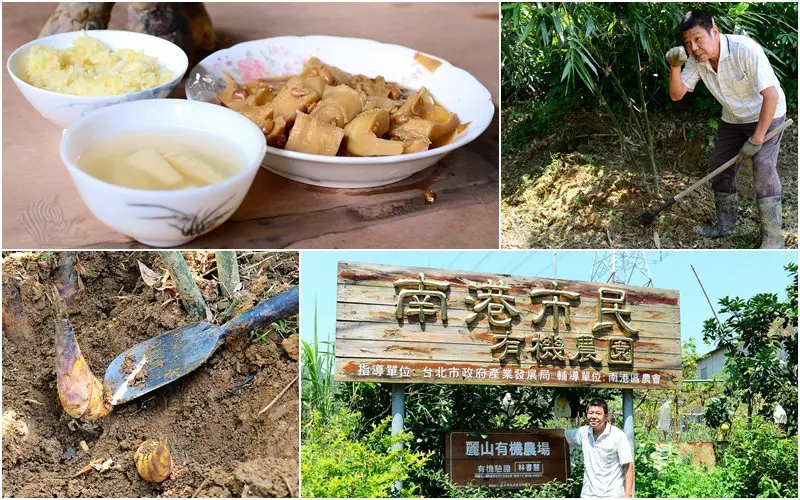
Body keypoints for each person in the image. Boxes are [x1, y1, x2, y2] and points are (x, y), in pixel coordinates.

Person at [665, 10, 787, 248]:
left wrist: (757, 138)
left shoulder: (746, 50)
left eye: (698, 39)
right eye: (688, 43)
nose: (694, 48)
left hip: (768, 113)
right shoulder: (695, 61)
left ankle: (774, 237)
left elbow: (770, 96)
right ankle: (725, 225)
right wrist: (675, 67)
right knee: (720, 166)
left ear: (715, 31)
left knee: (763, 167)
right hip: (733, 118)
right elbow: (677, 94)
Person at [564, 399, 634, 498]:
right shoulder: (583, 433)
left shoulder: (617, 435)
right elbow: (561, 434)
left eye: (598, 413)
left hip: (613, 495)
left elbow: (628, 466)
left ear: (606, 416)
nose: (593, 417)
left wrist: (628, 495)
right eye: (590, 413)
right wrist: (539, 431)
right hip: (588, 495)